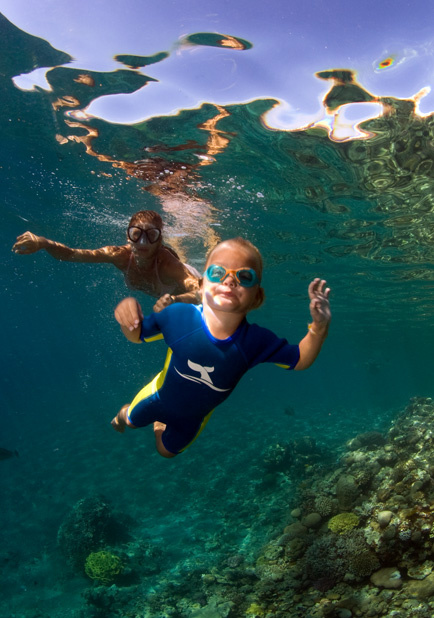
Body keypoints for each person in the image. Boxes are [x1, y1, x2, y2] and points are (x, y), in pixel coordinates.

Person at [111, 237, 331, 458]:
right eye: (217, 272)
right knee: (130, 421)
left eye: (245, 276)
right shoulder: (178, 316)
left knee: (166, 451)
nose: (229, 280)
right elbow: (137, 335)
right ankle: (121, 416)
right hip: (158, 397)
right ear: (200, 286)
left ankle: (159, 426)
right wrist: (127, 319)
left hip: (193, 418)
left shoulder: (254, 341)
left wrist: (319, 328)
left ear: (257, 297)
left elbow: (300, 359)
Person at [12, 210, 200, 311]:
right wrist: (45, 243)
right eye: (136, 234)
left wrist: (176, 300)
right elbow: (71, 254)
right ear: (127, 236)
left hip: (189, 290)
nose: (143, 242)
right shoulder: (118, 255)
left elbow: (201, 292)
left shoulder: (168, 265)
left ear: (160, 240)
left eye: (151, 235)